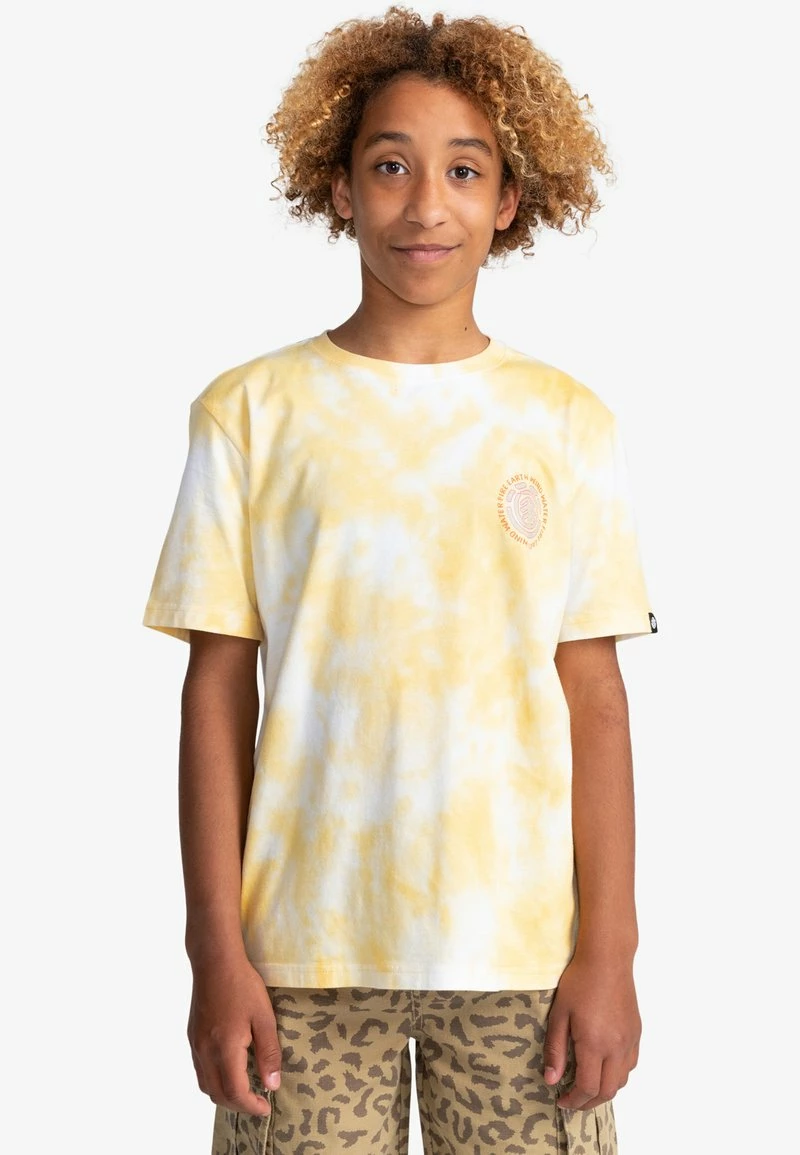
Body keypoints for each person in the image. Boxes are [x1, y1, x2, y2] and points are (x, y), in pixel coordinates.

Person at [142, 7, 658, 1153]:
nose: (425, 205)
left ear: (508, 200)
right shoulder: (250, 414)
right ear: (338, 188)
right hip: (298, 961)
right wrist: (214, 952)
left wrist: (609, 953)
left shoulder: (566, 423)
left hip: (524, 960)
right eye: (389, 166)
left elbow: (595, 702)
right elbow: (216, 695)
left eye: (463, 170)